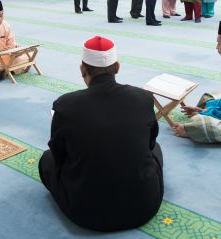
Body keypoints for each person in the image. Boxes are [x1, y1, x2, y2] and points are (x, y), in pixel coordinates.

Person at [38, 36, 164, 232]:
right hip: (144, 206)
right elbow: (149, 144)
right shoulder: (143, 98)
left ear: (82, 70)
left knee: (46, 160)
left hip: (86, 213)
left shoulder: (66, 105)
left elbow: (59, 155)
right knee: (155, 149)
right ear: (118, 67)